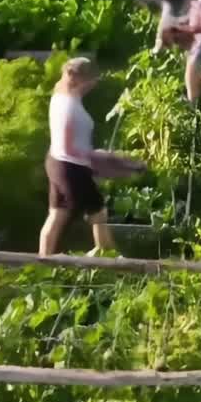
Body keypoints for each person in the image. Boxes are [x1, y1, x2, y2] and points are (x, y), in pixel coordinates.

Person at [40, 58, 114, 257]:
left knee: (57, 214)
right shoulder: (67, 106)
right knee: (97, 212)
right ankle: (106, 257)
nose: (94, 85)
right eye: (93, 81)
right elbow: (69, 146)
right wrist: (95, 157)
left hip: (57, 161)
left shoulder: (63, 96)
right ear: (83, 80)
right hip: (71, 167)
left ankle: (43, 261)